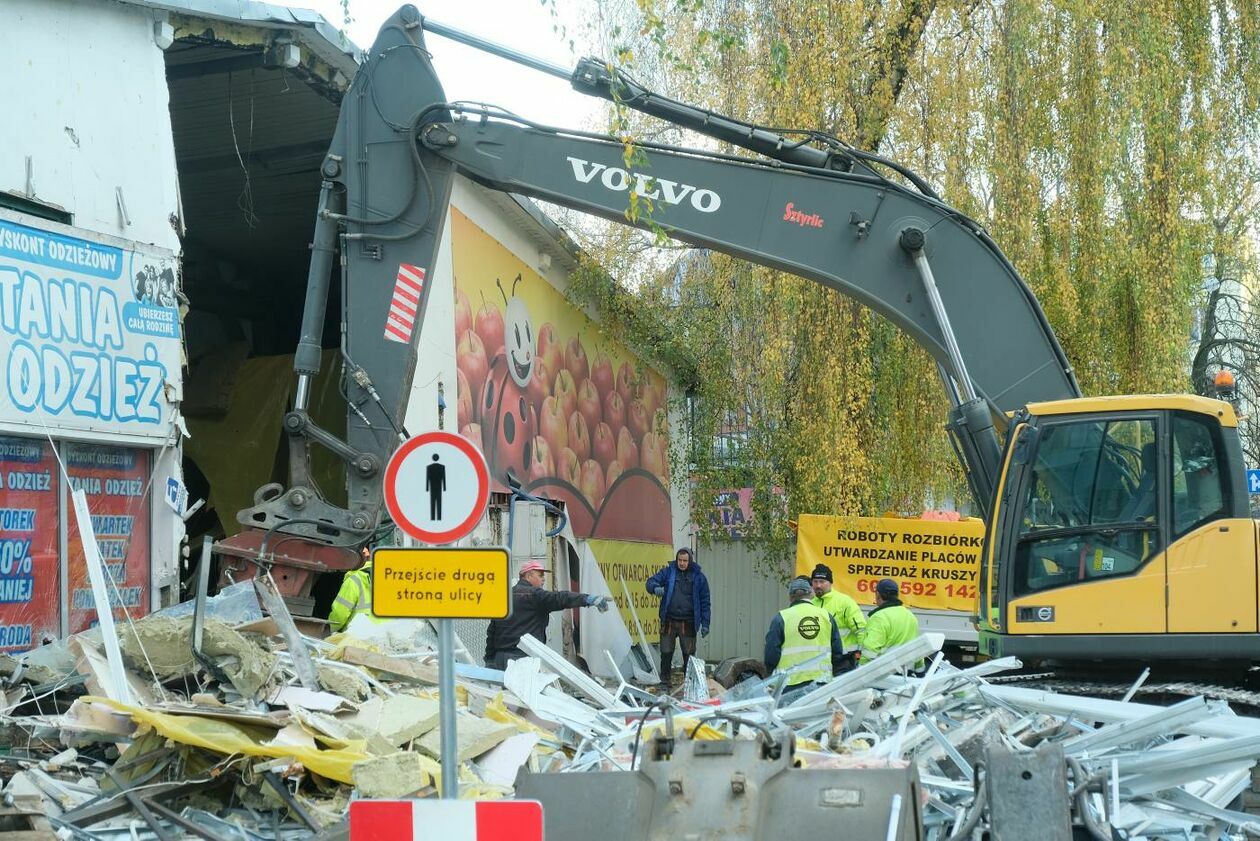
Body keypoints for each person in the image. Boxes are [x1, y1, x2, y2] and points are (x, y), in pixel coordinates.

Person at [484, 561, 612, 670]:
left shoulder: (504, 597)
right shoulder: (535, 595)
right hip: (522, 660)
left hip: (499, 659)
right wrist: (587, 599)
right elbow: (561, 598)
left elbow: (492, 631)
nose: (543, 579)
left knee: (501, 698)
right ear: (528, 576)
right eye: (540, 575)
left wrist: (489, 659)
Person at [646, 548, 711, 687]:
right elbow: (650, 582)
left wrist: (706, 623)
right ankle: (665, 681)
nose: (681, 563)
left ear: (690, 561)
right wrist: (655, 588)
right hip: (669, 620)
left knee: (689, 655)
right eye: (679, 560)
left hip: (688, 622)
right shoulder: (668, 572)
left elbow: (705, 601)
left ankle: (689, 684)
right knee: (666, 652)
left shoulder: (699, 577)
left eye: (685, 561)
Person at [764, 577, 843, 691]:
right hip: (821, 682)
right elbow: (837, 652)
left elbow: (771, 654)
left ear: (790, 597)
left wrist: (770, 673)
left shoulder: (781, 618)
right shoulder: (826, 616)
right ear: (811, 594)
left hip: (790, 684)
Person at [810, 563, 865, 672]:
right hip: (819, 662)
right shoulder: (810, 604)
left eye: (822, 582)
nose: (818, 585)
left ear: (830, 583)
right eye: (815, 581)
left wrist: (860, 658)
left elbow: (861, 630)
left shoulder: (844, 602)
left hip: (844, 661)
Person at [860, 578, 922, 669]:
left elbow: (870, 650)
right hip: (906, 674)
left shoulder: (879, 617)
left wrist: (860, 672)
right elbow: (917, 647)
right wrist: (920, 671)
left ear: (878, 594)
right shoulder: (910, 616)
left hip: (885, 675)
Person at [328, 546, 376, 633]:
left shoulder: (354, 579)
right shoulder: (387, 579)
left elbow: (340, 614)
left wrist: (330, 630)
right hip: (386, 633)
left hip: (358, 634)